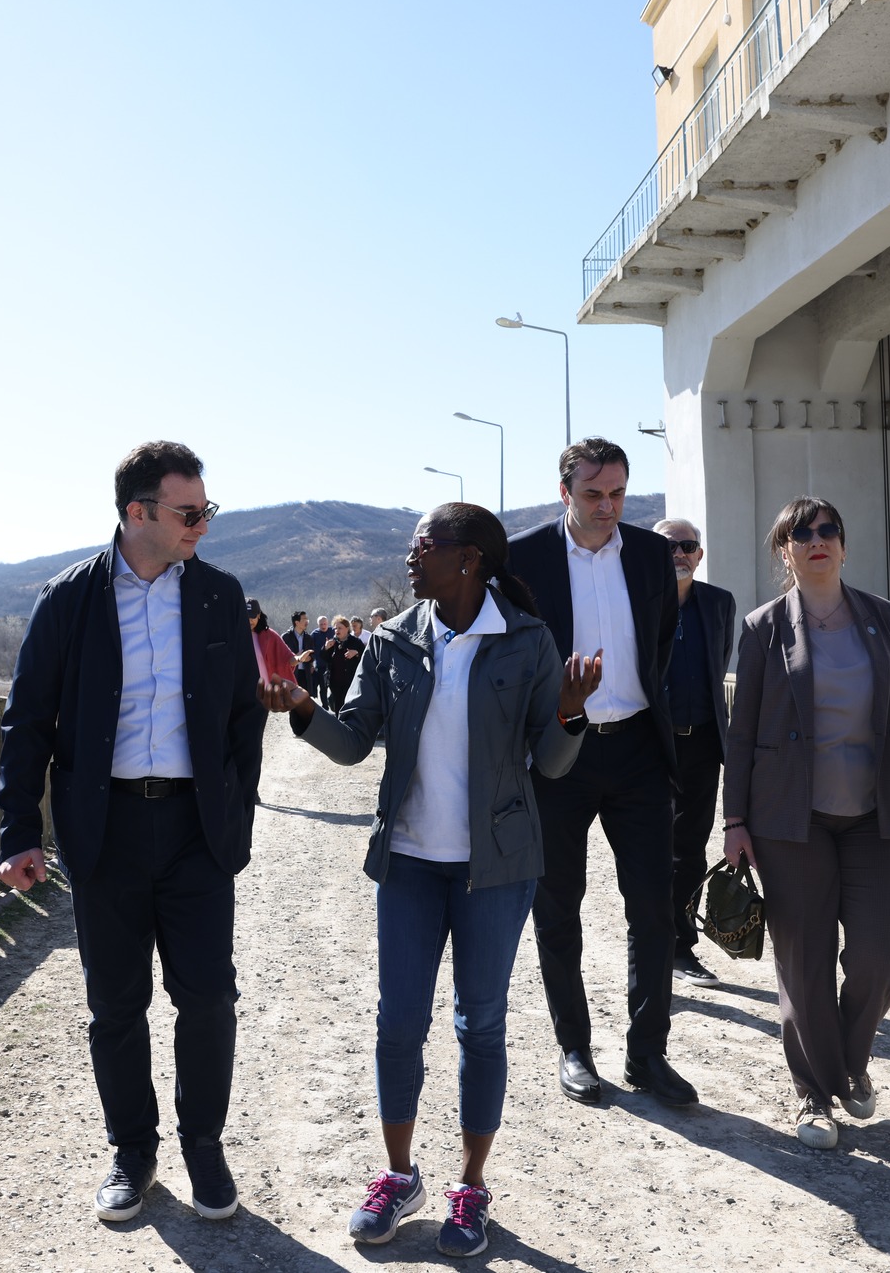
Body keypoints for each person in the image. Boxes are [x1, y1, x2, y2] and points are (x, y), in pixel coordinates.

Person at [259, 503, 599, 1257]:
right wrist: (304, 708)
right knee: (398, 1023)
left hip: (497, 869)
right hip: (409, 862)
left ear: (469, 557)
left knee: (481, 1025)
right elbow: (354, 742)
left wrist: (571, 713)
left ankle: (471, 1185)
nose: (412, 555)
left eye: (426, 544)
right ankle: (399, 1174)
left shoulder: (527, 640)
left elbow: (550, 764)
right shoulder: (394, 640)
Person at [0, 441, 266, 1224]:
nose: (203, 524)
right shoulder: (68, 598)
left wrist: (236, 812)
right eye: (190, 512)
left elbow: (244, 716)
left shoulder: (218, 594)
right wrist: (20, 830)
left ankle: (203, 1144)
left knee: (208, 995)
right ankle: (132, 1150)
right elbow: (27, 720)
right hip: (105, 827)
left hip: (194, 829)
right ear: (138, 512)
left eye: (208, 509)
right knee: (115, 1003)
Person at [722, 496, 890, 1151]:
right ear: (786, 551)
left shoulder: (882, 618)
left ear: (844, 546)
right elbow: (741, 734)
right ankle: (814, 1094)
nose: (817, 539)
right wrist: (734, 819)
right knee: (804, 962)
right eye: (801, 533)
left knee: (885, 955)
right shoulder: (764, 627)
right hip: (787, 820)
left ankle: (850, 1062)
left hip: (872, 815)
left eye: (828, 529)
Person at [506, 438, 689, 1107]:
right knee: (559, 907)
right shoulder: (523, 558)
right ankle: (575, 1049)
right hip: (561, 752)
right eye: (593, 494)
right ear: (565, 492)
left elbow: (660, 639)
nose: (607, 506)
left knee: (654, 908)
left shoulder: (649, 553)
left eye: (617, 493)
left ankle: (648, 1054)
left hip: (638, 748)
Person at [651, 516, 737, 987]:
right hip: (649, 744)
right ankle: (649, 947)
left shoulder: (719, 603)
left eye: (687, 546)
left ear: (699, 555)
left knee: (690, 850)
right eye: (668, 547)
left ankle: (680, 949)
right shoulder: (638, 601)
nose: (679, 554)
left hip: (702, 742)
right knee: (649, 849)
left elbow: (716, 666)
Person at [248, 599, 297, 687]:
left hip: (267, 690)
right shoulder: (234, 637)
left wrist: (299, 659)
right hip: (244, 690)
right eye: (246, 616)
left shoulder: (270, 636)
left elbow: (287, 658)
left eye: (252, 617)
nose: (249, 620)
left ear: (259, 615)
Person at [321, 614, 363, 709]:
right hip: (335, 682)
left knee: (349, 707)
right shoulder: (332, 642)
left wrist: (356, 653)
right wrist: (325, 648)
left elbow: (365, 656)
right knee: (337, 707)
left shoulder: (356, 642)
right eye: (335, 628)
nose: (337, 630)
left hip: (351, 682)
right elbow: (324, 658)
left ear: (347, 628)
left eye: (340, 628)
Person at [283, 611, 320, 697]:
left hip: (305, 673)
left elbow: (313, 654)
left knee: (304, 698)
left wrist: (308, 658)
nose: (307, 621)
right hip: (291, 673)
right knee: (291, 697)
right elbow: (281, 655)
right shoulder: (286, 637)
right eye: (304, 619)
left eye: (307, 619)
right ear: (297, 622)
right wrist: (296, 657)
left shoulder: (308, 638)